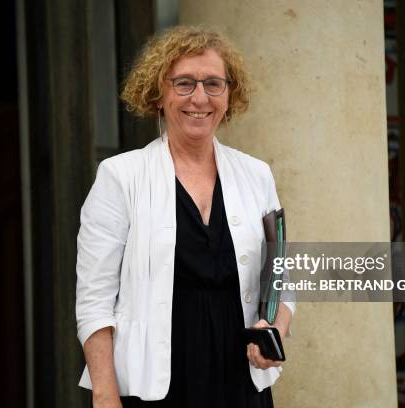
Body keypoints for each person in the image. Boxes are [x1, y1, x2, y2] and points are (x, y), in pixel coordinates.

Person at [76, 25, 295, 408]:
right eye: (183, 84)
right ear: (159, 94)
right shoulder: (121, 177)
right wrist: (104, 395)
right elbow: (94, 300)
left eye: (213, 83)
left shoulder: (256, 175)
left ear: (229, 95)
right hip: (156, 386)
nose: (199, 98)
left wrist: (274, 331)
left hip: (242, 384)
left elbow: (280, 280)